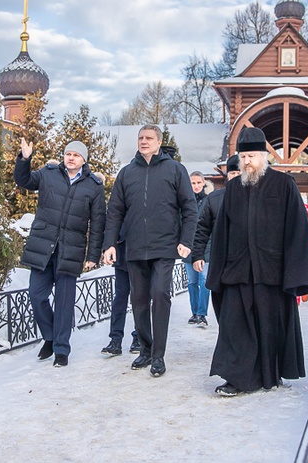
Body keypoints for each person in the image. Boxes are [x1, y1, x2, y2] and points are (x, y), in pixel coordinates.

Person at [205, 127, 308, 396]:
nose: (247, 162)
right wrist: (218, 271)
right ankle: (236, 378)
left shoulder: (284, 184)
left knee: (270, 327)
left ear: (263, 156)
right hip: (238, 271)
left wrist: (294, 273)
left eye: (252, 156)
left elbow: (297, 229)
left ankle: (269, 375)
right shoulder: (233, 189)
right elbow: (222, 232)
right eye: (243, 157)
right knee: (235, 326)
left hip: (272, 272)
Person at [102, 124, 197, 378]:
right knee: (139, 300)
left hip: (164, 246)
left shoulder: (175, 170)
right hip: (134, 247)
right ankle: (145, 348)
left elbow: (189, 207)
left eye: (149, 138)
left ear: (158, 142)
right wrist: (110, 244)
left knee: (160, 294)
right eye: (141, 138)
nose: (144, 141)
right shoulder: (127, 173)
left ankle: (158, 355)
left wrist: (186, 240)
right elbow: (115, 212)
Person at [14, 138, 106, 368]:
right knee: (36, 295)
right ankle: (50, 336)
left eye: (76, 155)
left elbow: (98, 223)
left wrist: (93, 256)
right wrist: (24, 159)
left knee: (65, 304)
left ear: (84, 160)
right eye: (68, 154)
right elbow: (24, 180)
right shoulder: (49, 173)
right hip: (43, 246)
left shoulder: (93, 186)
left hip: (71, 250)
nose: (71, 158)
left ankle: (61, 349)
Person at [191, 154, 241, 321]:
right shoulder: (215, 198)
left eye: (238, 173)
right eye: (232, 173)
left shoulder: (256, 197)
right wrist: (197, 254)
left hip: (246, 261)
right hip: (221, 258)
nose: (235, 177)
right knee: (223, 302)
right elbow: (202, 229)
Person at [100, 224, 141, 356]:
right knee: (120, 298)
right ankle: (115, 340)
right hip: (122, 252)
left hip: (140, 252)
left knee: (139, 298)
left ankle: (139, 337)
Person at [184, 171, 210, 326]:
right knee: (192, 281)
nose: (196, 186)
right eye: (193, 183)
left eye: (199, 182)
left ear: (203, 183)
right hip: (189, 247)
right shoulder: (186, 202)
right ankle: (194, 312)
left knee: (204, 279)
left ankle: (202, 313)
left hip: (205, 247)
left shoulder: (208, 201)